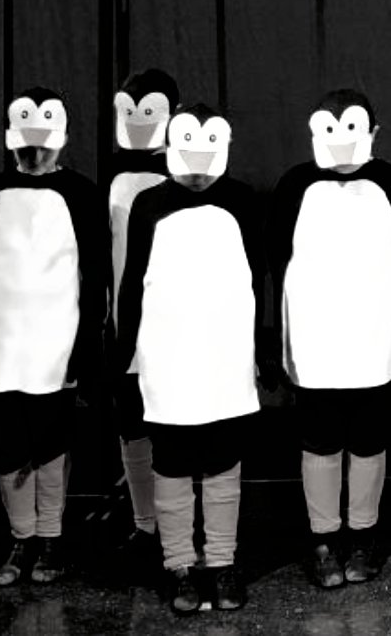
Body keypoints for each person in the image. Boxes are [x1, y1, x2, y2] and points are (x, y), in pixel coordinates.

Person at [115, 105, 268, 615]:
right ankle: (179, 563)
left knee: (224, 458)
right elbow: (132, 284)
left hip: (225, 357)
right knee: (174, 462)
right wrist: (122, 355)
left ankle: (222, 562)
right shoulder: (150, 204)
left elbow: (257, 279)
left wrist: (259, 348)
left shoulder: (242, 201)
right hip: (166, 358)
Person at [0, 88, 106, 587]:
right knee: (8, 444)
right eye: (27, 143)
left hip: (56, 341)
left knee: (50, 440)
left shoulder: (82, 193)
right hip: (2, 341)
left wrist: (87, 341)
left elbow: (97, 272)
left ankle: (50, 538)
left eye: (43, 143)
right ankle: (21, 536)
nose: (35, 153)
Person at [269, 89, 391, 588]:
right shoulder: (295, 185)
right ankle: (323, 538)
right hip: (315, 340)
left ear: (373, 133)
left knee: (370, 438)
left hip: (375, 337)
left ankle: (364, 536)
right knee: (320, 440)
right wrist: (279, 339)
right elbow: (276, 264)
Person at [105, 68, 179, 573]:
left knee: (174, 427)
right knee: (132, 425)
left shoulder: (185, 170)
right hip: (122, 320)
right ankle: (145, 523)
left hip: (173, 321)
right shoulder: (113, 174)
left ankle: (179, 528)